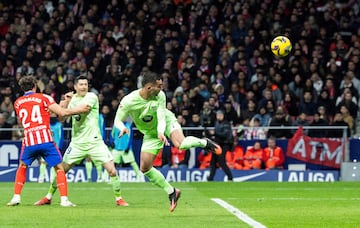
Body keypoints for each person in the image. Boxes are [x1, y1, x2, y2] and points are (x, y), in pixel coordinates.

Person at [113, 71, 221, 212]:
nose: (162, 88)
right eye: (159, 86)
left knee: (180, 144)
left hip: (166, 123)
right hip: (150, 132)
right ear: (149, 88)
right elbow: (117, 120)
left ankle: (204, 143)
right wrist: (122, 128)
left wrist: (160, 131)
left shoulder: (160, 96)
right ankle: (172, 192)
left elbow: (162, 116)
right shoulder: (129, 100)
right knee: (145, 168)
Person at [34, 75, 129, 207]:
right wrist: (65, 103)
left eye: (86, 84)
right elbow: (61, 120)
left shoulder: (92, 97)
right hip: (77, 143)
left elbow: (83, 109)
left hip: (95, 142)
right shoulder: (71, 100)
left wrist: (62, 109)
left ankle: (119, 199)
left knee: (112, 170)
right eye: (81, 84)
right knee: (61, 170)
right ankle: (48, 196)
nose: (84, 86)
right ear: (75, 87)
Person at [7, 76, 89, 207]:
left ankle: (16, 197)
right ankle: (64, 200)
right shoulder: (44, 98)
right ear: (35, 85)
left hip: (29, 140)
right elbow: (61, 112)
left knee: (22, 166)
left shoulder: (17, 102)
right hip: (45, 139)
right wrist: (79, 110)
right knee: (59, 168)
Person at [206, 110, 233, 181]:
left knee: (221, 161)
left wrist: (214, 133)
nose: (219, 116)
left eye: (220, 115)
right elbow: (216, 135)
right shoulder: (216, 123)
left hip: (224, 144)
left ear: (223, 116)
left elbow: (225, 135)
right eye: (218, 115)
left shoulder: (226, 124)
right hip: (217, 144)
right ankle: (210, 178)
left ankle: (230, 177)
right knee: (213, 161)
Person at [38, 114, 64, 183]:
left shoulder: (59, 125)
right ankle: (41, 178)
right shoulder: (45, 125)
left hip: (55, 147)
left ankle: (52, 179)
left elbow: (61, 137)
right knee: (43, 162)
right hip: (46, 146)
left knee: (54, 163)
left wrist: (60, 147)